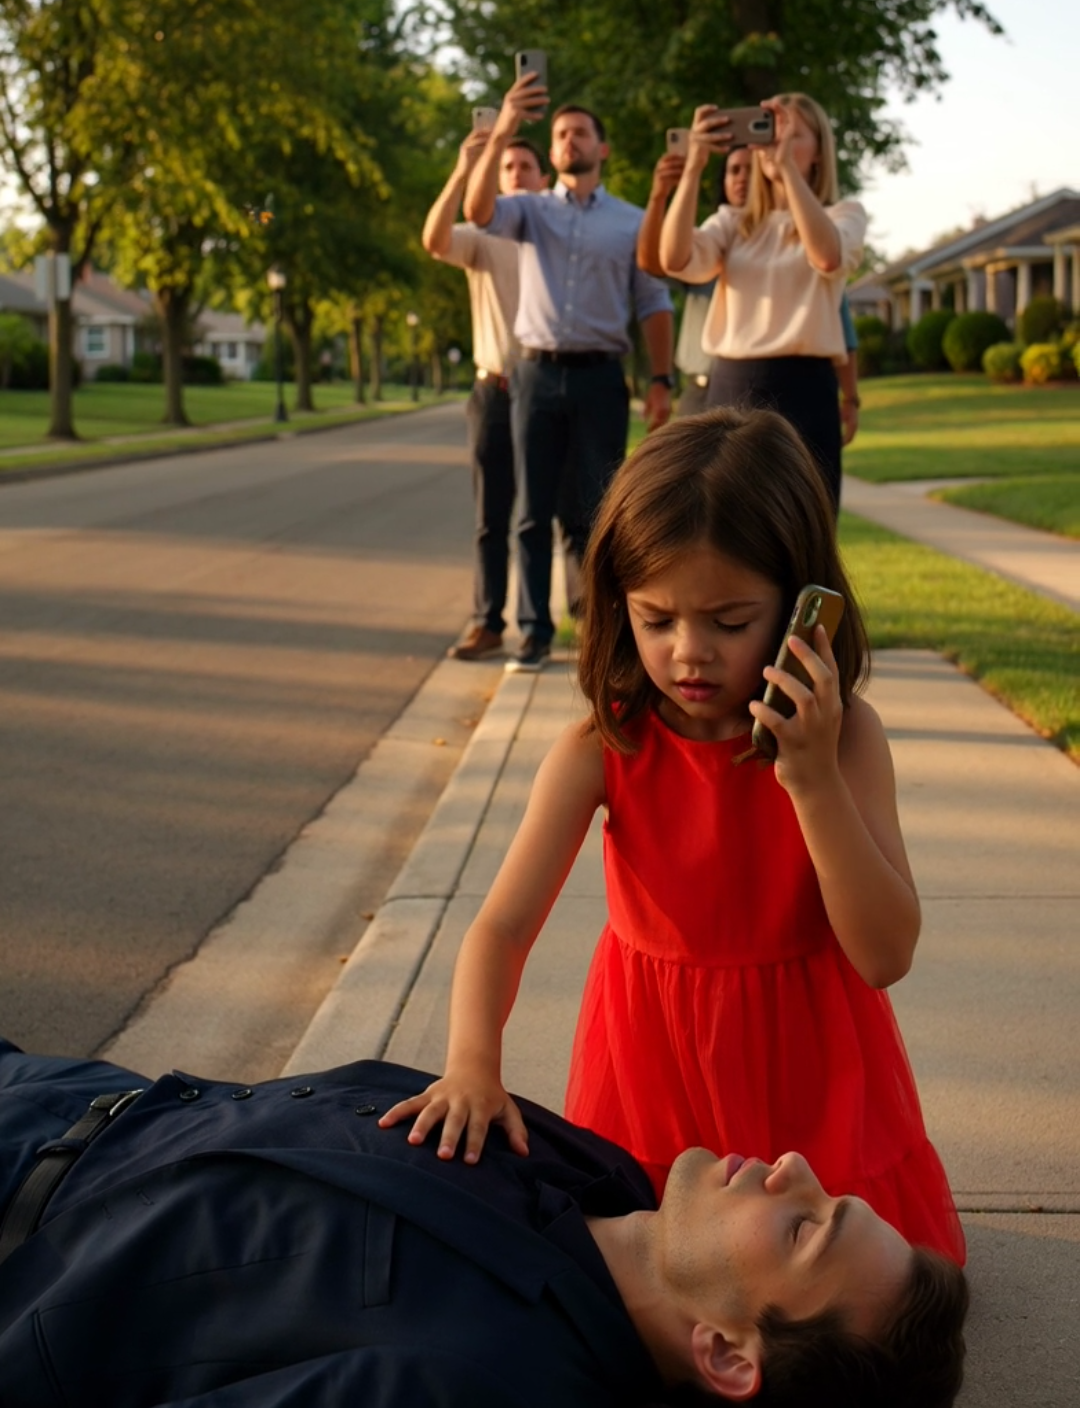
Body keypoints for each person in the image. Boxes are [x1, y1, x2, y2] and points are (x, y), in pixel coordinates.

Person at [384, 408, 966, 1267]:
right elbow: (501, 927)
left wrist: (811, 781)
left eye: (730, 622)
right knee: (666, 1285)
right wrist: (473, 1062)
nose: (690, 652)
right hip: (653, 1075)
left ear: (802, 608)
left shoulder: (845, 741)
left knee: (834, 1292)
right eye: (657, 619)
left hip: (810, 1073)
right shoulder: (605, 746)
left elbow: (884, 955)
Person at [0, 1041, 968, 1406]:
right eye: (830, 1196)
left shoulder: (487, 1381)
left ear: (725, 1353)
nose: (795, 1169)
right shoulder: (604, 1175)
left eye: (806, 1230)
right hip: (76, 1092)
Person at [464, 72, 675, 672]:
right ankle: (533, 633)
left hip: (601, 378)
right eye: (559, 134)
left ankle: (598, 634)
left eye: (579, 132)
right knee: (531, 511)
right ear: (552, 151)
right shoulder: (528, 211)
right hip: (534, 376)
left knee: (599, 511)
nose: (568, 141)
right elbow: (477, 211)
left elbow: (653, 301)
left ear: (601, 148)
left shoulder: (632, 221)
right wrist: (506, 124)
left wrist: (661, 380)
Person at [658, 94, 867, 509]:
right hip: (734, 386)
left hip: (806, 388)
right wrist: (694, 168)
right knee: (729, 523)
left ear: (819, 151)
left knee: (803, 523)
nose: (778, 142)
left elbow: (826, 256)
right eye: (771, 132)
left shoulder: (844, 215)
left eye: (793, 134)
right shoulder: (733, 223)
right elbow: (674, 259)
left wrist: (786, 170)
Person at [423, 129, 580, 660]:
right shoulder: (481, 237)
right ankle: (488, 622)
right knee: (493, 517)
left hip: (552, 387)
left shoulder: (557, 233)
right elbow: (434, 240)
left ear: (543, 177)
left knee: (565, 511)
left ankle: (579, 621)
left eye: (523, 166)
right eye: (505, 167)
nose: (513, 174)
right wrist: (463, 170)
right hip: (496, 390)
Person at [637, 146, 752, 416]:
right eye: (734, 170)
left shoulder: (791, 242)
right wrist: (659, 196)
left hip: (761, 390)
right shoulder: (711, 239)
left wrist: (848, 396)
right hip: (701, 392)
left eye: (752, 170)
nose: (742, 178)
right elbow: (654, 262)